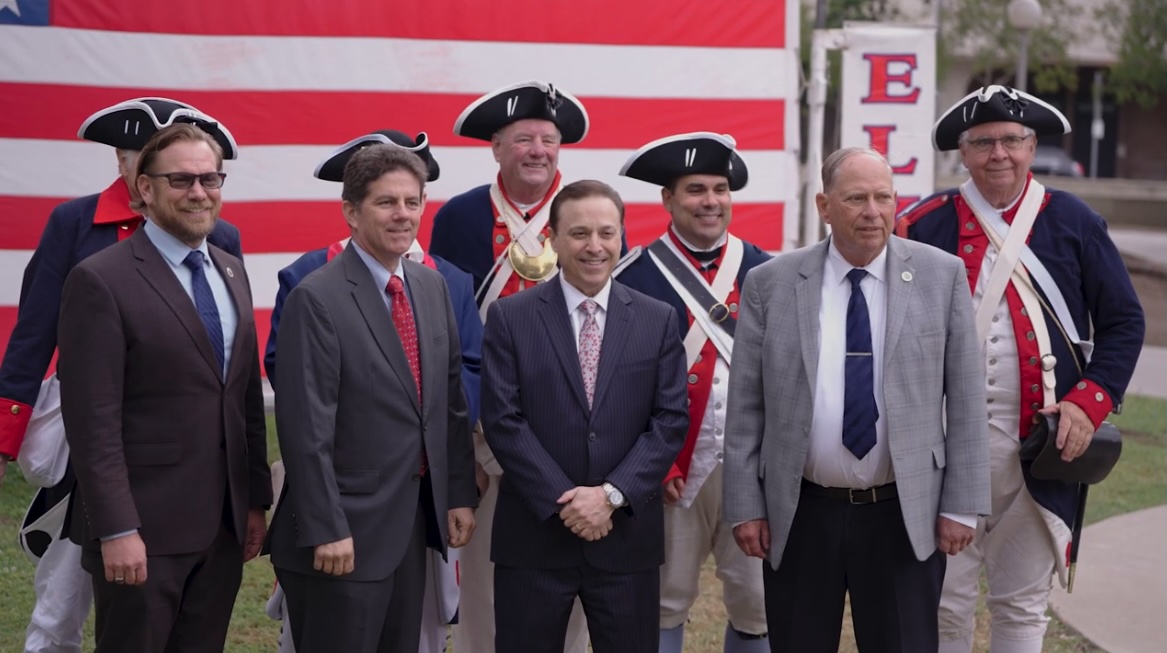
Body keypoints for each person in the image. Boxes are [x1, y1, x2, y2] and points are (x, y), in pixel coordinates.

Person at [895, 85, 1145, 653]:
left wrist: (1089, 401)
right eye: (983, 142)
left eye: (1012, 140)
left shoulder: (1074, 221)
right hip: (942, 454)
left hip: (1039, 452)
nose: (998, 154)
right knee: (942, 605)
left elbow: (1124, 323)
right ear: (963, 153)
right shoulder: (922, 223)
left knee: (1023, 605)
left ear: (1032, 147)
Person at [722, 147, 991, 652]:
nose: (873, 212)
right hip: (801, 512)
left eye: (883, 197)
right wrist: (745, 507)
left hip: (903, 512)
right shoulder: (771, 284)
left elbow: (967, 399)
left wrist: (962, 504)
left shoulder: (942, 275)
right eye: (857, 199)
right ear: (825, 206)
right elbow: (745, 410)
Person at [0, 98, 244, 653]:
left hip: (179, 461)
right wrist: (6, 437)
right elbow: (35, 331)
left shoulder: (220, 239)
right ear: (123, 162)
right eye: (143, 160)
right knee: (62, 592)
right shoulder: (75, 222)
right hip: (88, 434)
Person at [263, 129, 482, 653]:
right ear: (351, 212)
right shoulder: (316, 297)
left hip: (408, 528)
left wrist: (456, 494)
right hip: (341, 534)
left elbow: (447, 404)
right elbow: (305, 426)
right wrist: (325, 527)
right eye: (386, 202)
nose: (402, 214)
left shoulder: (430, 287)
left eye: (412, 201)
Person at [56, 122, 270, 653]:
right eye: (180, 180)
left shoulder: (231, 270)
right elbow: (92, 422)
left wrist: (253, 502)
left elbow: (242, 396)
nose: (199, 192)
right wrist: (116, 529)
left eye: (210, 179)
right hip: (142, 531)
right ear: (144, 190)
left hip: (220, 527)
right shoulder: (100, 279)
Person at [481, 179, 690, 653]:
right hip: (535, 538)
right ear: (552, 239)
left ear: (622, 237)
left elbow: (670, 419)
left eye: (606, 233)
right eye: (579, 233)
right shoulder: (511, 317)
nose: (594, 246)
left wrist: (611, 497)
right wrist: (569, 503)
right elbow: (503, 420)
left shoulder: (658, 319)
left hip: (626, 541)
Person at [428, 80, 594, 653]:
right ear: (496, 147)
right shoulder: (459, 216)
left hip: (572, 425)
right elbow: (444, 330)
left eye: (548, 140)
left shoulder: (587, 209)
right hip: (484, 425)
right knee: (482, 581)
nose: (538, 151)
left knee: (572, 576)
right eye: (523, 139)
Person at [615, 132, 770, 652]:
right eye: (695, 189)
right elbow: (618, 383)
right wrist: (653, 462)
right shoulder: (632, 276)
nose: (710, 201)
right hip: (669, 467)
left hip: (751, 465)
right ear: (668, 199)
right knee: (662, 597)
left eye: (720, 189)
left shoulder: (768, 271)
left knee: (758, 599)